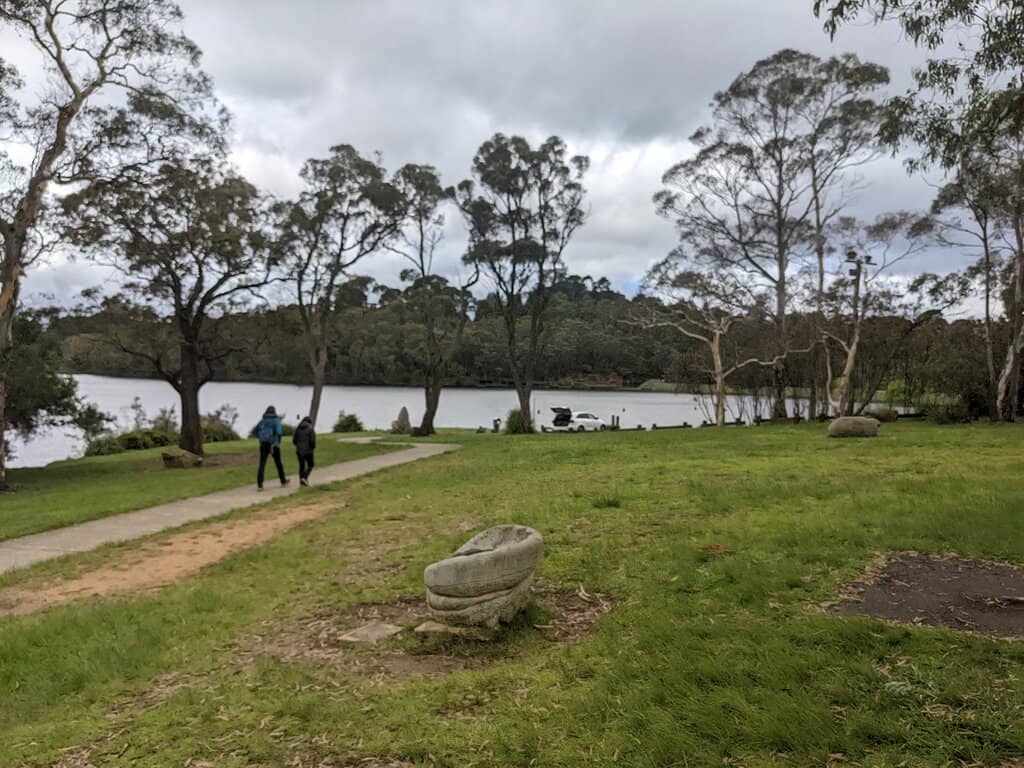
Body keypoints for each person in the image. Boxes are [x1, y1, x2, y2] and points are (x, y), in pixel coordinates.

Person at [250, 405, 288, 490]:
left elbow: (254, 431)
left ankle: (260, 484)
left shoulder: (262, 421)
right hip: (273, 444)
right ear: (274, 412)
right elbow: (279, 432)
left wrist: (260, 438)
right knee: (278, 463)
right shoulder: (275, 420)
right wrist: (278, 441)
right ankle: (283, 480)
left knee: (262, 464)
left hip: (263, 444)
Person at [292, 416, 316, 486]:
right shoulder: (311, 429)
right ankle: (304, 478)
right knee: (311, 465)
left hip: (299, 451)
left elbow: (294, 441)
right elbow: (312, 441)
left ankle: (302, 481)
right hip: (308, 450)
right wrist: (312, 447)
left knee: (301, 466)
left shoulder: (297, 429)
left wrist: (298, 446)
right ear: (309, 422)